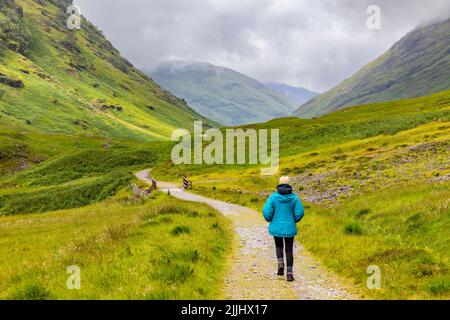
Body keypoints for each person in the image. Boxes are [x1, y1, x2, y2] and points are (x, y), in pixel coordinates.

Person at [263, 176, 305, 282]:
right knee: (289, 249)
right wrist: (293, 220)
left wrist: (271, 219)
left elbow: (266, 212)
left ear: (279, 184)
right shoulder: (294, 198)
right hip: (289, 226)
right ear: (289, 184)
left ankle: (280, 264)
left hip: (276, 226)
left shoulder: (273, 197)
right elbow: (300, 212)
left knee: (279, 245)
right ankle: (290, 274)